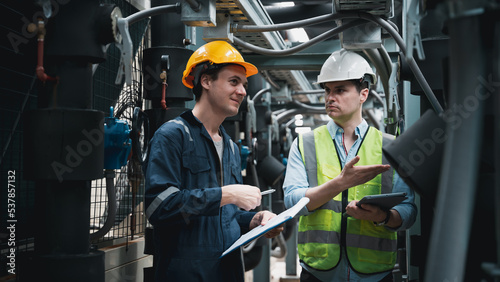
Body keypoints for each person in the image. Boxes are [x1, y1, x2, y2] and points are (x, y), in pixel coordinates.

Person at [144, 41, 283, 282]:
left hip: (227, 272)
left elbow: (224, 218)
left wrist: (255, 220)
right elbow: (159, 208)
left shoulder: (229, 146)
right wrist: (226, 194)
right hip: (186, 275)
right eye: (233, 82)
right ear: (206, 81)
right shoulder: (173, 136)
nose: (242, 91)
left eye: (244, 85)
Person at [282, 49, 417, 282]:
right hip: (319, 273)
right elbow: (292, 202)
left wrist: (383, 217)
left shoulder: (390, 147)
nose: (330, 97)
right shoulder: (305, 143)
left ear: (363, 94)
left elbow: (409, 210)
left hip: (374, 274)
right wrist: (340, 184)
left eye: (340, 90)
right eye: (327, 90)